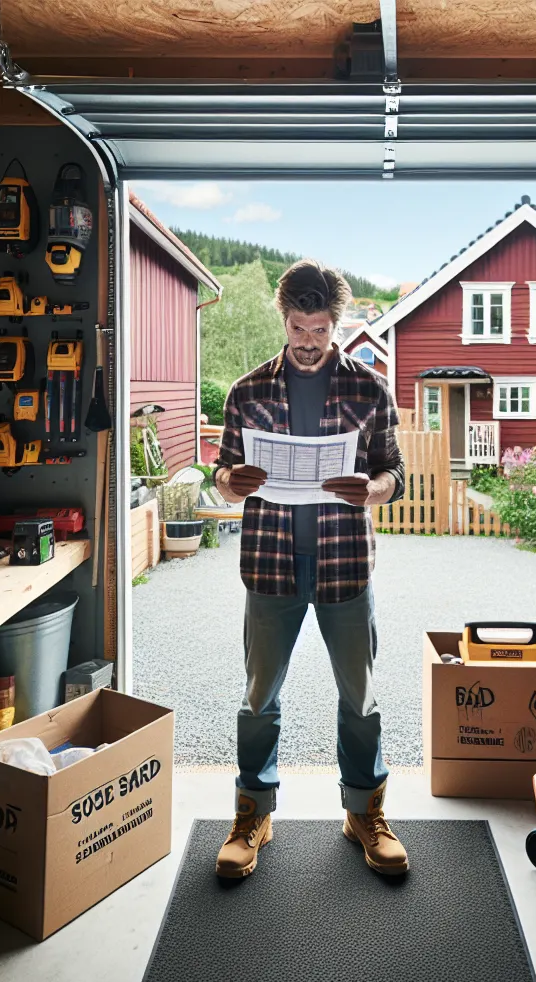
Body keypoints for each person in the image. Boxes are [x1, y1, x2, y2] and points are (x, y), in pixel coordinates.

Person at [211, 259, 408, 879]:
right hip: (269, 565)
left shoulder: (369, 390)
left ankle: (363, 814)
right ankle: (253, 814)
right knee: (259, 698)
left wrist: (372, 491)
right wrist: (229, 483)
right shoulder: (246, 391)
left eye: (319, 330)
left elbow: (396, 473)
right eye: (298, 327)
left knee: (361, 697)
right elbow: (221, 473)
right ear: (284, 318)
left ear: (336, 325)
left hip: (345, 564)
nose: (307, 341)